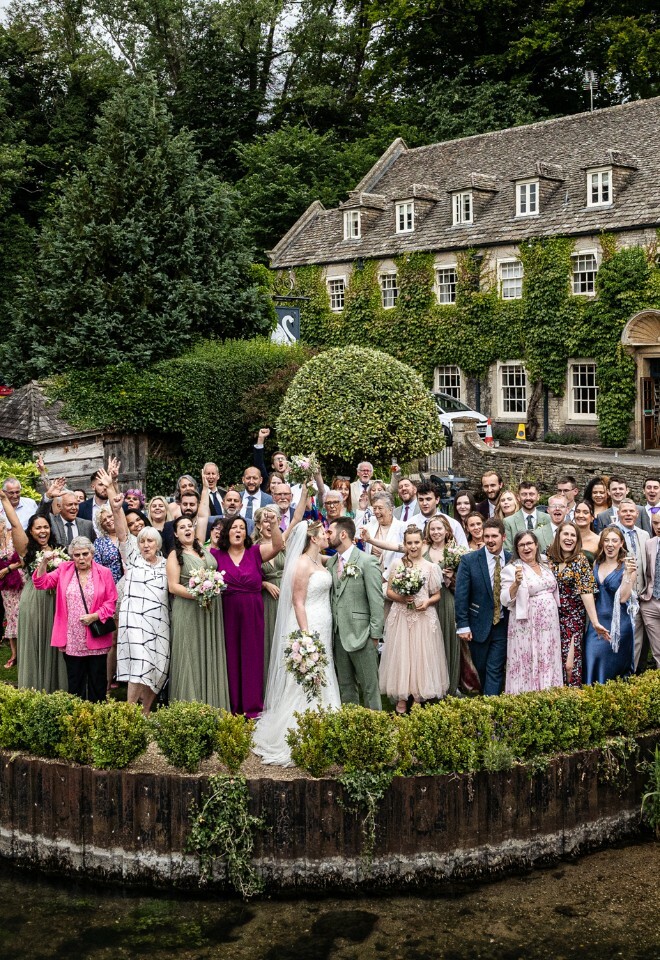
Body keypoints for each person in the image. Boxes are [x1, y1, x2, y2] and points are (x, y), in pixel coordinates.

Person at [253, 521, 341, 766]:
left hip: (323, 623)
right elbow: (298, 601)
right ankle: (300, 731)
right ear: (313, 538)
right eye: (324, 533)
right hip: (308, 625)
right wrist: (306, 637)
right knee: (306, 675)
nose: (327, 536)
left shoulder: (318, 560)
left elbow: (338, 559)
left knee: (323, 672)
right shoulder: (302, 563)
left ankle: (325, 726)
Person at [210, 514, 284, 717]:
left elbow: (278, 545)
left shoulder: (255, 552)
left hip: (252, 611)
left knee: (252, 658)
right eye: (234, 527)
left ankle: (252, 708)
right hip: (227, 612)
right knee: (231, 658)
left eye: (242, 528)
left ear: (246, 533)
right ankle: (233, 707)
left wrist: (274, 524)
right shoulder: (216, 556)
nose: (238, 531)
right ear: (227, 532)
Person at [32, 536, 117, 702]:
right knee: (75, 683)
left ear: (92, 554)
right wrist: (43, 563)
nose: (81, 558)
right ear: (72, 556)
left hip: (96, 637)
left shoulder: (103, 573)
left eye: (85, 554)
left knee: (97, 684)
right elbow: (41, 583)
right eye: (77, 555)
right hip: (72, 638)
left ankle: (96, 720)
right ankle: (77, 722)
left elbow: (111, 602)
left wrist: (95, 616)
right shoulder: (64, 569)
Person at [109, 493, 170, 715]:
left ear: (158, 543)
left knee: (159, 666)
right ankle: (128, 712)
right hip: (134, 621)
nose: (145, 545)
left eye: (150, 541)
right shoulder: (132, 558)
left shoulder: (167, 564)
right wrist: (117, 509)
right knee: (141, 663)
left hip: (159, 622)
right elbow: (123, 534)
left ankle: (144, 713)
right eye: (142, 541)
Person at [380, 526, 448, 712]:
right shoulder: (397, 565)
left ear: (423, 543)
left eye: (416, 542)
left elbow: (437, 595)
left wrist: (427, 602)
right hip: (402, 615)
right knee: (402, 654)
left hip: (423, 616)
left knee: (420, 654)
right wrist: (402, 598)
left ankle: (418, 695)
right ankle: (402, 695)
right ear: (404, 544)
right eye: (409, 543)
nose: (413, 546)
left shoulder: (431, 567)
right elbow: (389, 591)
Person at [166, 515, 230, 709]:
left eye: (189, 526)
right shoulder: (174, 555)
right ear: (176, 534)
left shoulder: (203, 549)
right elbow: (173, 587)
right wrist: (199, 595)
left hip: (210, 610)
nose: (187, 529)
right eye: (182, 527)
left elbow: (202, 515)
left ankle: (213, 704)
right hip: (188, 609)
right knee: (190, 654)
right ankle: (189, 708)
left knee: (209, 652)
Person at [327, 518, 384, 710]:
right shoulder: (331, 563)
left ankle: (376, 730)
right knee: (346, 687)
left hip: (362, 634)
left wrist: (375, 635)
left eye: (330, 532)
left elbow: (376, 600)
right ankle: (351, 729)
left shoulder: (367, 561)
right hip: (338, 635)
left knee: (369, 687)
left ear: (343, 534)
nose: (327, 535)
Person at [254, 492, 307, 686]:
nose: (269, 524)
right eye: (264, 521)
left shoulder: (281, 543)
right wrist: (264, 583)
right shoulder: (253, 549)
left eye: (272, 520)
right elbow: (245, 575)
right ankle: (268, 685)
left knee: (288, 638)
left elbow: (297, 518)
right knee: (268, 642)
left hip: (287, 597)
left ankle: (289, 685)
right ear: (258, 525)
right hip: (266, 600)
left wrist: (305, 489)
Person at [500, 531, 562, 693]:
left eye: (529, 544)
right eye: (522, 545)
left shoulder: (546, 563)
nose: (526, 548)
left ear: (536, 545)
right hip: (527, 625)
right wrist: (516, 583)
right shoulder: (512, 569)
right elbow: (505, 599)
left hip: (550, 625)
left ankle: (550, 694)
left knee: (547, 657)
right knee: (529, 659)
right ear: (517, 548)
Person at [546, 521, 607, 686]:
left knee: (569, 665)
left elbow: (586, 592)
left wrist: (595, 622)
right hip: (549, 619)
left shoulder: (580, 561)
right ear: (558, 536)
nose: (569, 538)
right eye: (565, 534)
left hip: (572, 620)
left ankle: (572, 700)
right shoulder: (548, 557)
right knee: (551, 662)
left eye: (573, 535)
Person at [455, 518, 510, 695]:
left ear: (504, 537)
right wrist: (463, 625)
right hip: (478, 624)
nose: (490, 540)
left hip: (503, 623)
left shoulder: (512, 559)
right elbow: (461, 595)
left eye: (494, 536)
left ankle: (490, 707)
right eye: (487, 536)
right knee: (481, 667)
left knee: (494, 668)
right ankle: (490, 697)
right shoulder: (469, 560)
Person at [16, 513, 68, 693]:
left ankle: (56, 688)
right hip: (34, 600)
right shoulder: (27, 551)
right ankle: (33, 688)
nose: (43, 531)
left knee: (55, 643)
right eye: (38, 528)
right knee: (35, 640)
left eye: (45, 526)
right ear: (30, 531)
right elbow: (15, 525)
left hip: (57, 601)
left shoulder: (61, 549)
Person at [584, 527, 637, 684]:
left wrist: (627, 574)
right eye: (606, 540)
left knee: (615, 671)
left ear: (621, 543)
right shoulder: (596, 563)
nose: (610, 544)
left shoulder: (628, 566)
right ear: (602, 544)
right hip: (596, 625)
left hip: (619, 626)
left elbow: (623, 598)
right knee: (592, 661)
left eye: (614, 540)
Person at [423, 516, 460, 696]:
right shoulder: (423, 549)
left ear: (446, 530)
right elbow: (398, 548)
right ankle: (430, 685)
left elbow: (466, 581)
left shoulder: (454, 552)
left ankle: (450, 686)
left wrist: (453, 575)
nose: (436, 532)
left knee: (448, 638)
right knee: (428, 643)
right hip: (427, 602)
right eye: (432, 529)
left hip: (447, 599)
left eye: (439, 529)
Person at [93, 503, 124, 692]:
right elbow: (96, 571)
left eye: (111, 517)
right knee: (113, 639)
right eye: (105, 520)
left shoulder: (129, 538)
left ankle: (124, 676)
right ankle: (107, 680)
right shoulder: (100, 544)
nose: (110, 521)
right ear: (101, 525)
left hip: (132, 590)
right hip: (111, 593)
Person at [615, 498, 648, 670]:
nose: (628, 514)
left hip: (642, 597)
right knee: (620, 638)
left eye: (631, 511)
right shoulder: (611, 535)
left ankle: (632, 676)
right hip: (620, 597)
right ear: (618, 513)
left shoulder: (644, 535)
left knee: (637, 641)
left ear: (637, 513)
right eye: (624, 511)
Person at [0, 490, 27, 669]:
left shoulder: (13, 537)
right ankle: (14, 654)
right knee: (10, 617)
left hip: (20, 581)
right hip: (5, 586)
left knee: (22, 615)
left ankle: (26, 651)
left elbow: (24, 560)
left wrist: (8, 568)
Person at [36, 478, 96, 546]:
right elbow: (39, 517)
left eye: (76, 504)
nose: (74, 508)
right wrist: (48, 496)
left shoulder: (87, 525)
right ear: (59, 506)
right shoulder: (52, 522)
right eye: (70, 504)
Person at [410, 481, 468, 547]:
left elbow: (464, 549)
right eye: (421, 500)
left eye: (428, 499)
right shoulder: (409, 523)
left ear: (437, 500)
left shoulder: (452, 524)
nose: (424, 503)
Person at [638, 520, 660, 671]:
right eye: (656, 523)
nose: (659, 527)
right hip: (651, 602)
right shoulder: (649, 543)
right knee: (657, 650)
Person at [504, 481, 551, 550]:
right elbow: (508, 550)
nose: (528, 498)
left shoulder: (548, 519)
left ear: (538, 497)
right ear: (518, 497)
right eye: (524, 494)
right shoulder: (508, 522)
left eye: (531, 494)